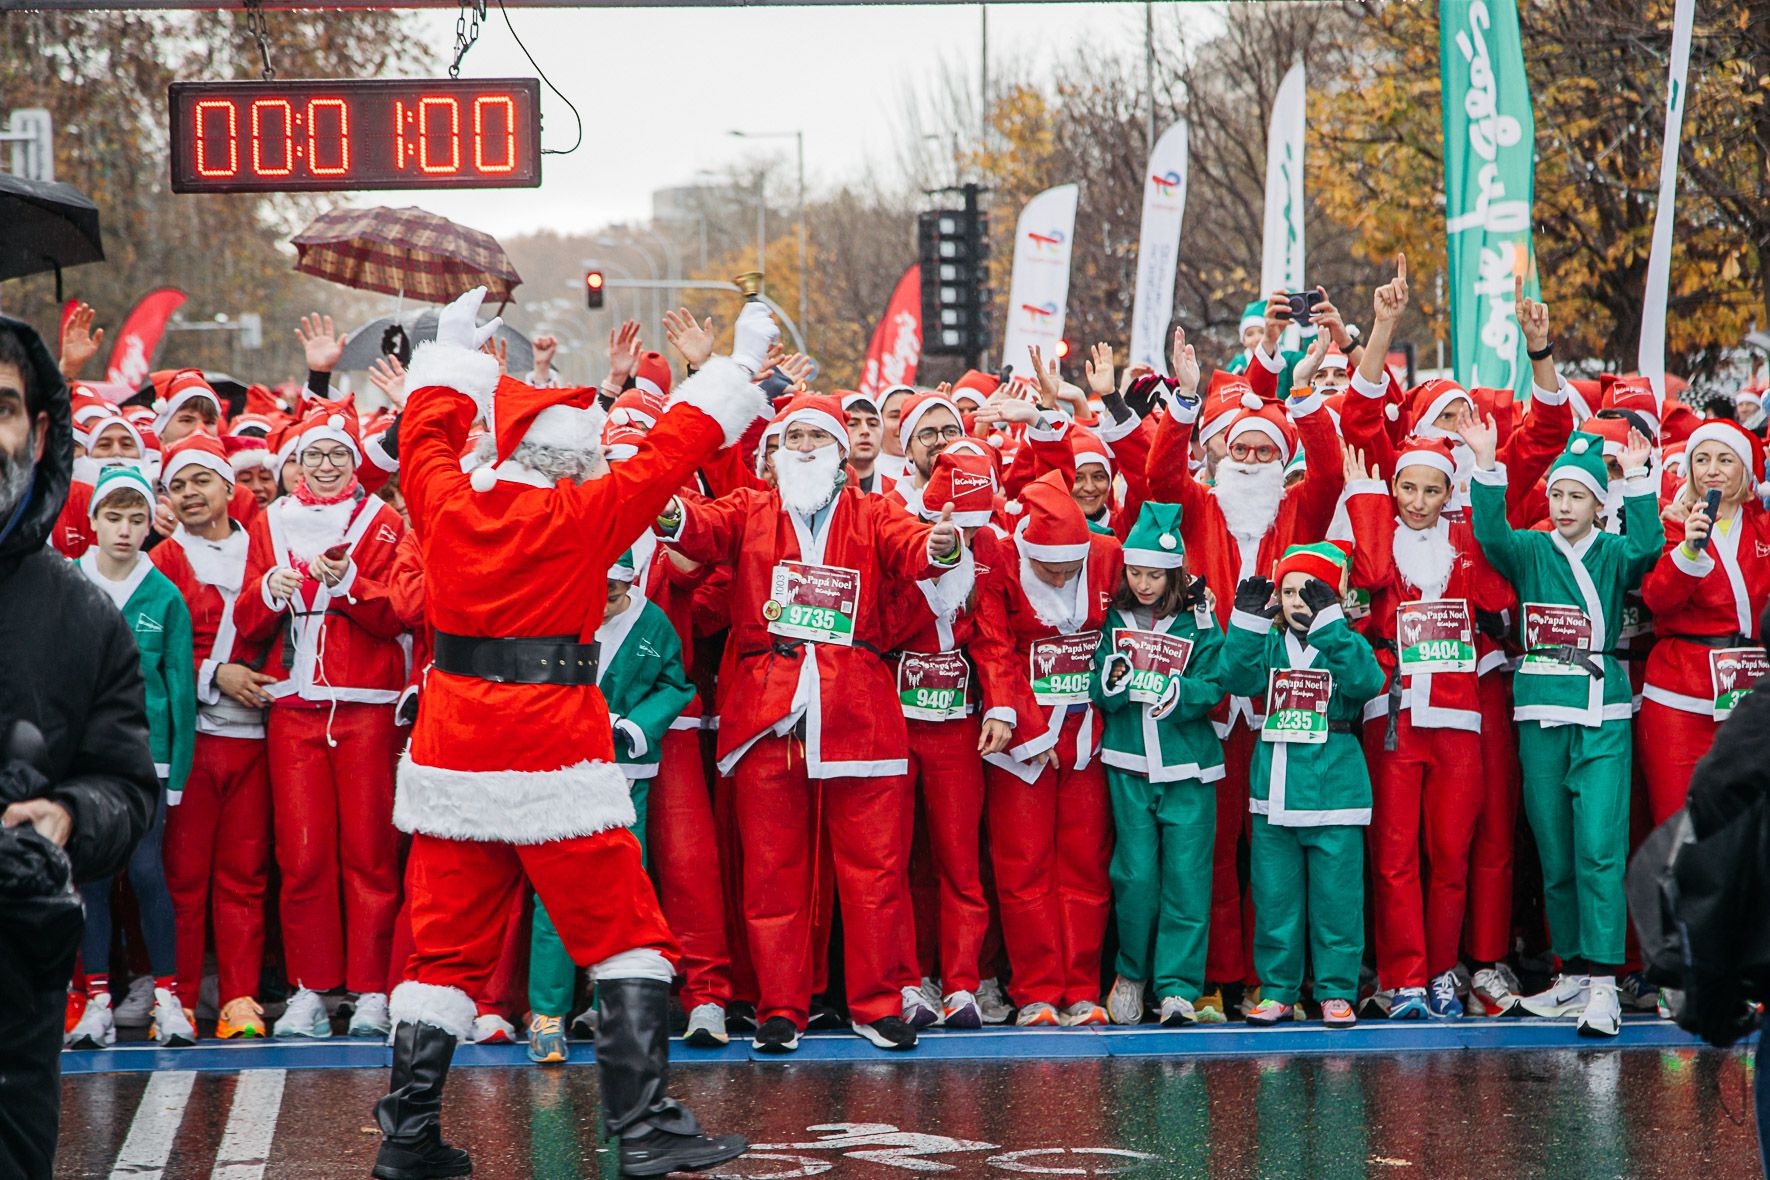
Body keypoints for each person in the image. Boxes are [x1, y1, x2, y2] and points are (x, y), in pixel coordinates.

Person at [382, 287, 764, 1179]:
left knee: (441, 951)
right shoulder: (583, 514)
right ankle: (644, 1127)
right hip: (553, 748)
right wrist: (736, 368)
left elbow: (424, 440)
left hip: (451, 753)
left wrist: (453, 353)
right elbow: (674, 450)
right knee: (629, 933)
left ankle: (407, 1138)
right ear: (573, 460)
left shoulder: (442, 502)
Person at [655, 392, 966, 1053]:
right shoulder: (750, 508)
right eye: (792, 436)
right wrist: (672, 512)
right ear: (777, 449)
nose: (803, 447)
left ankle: (879, 1004)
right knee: (774, 868)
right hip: (769, 713)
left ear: (837, 453)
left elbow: (911, 545)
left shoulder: (872, 510)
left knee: (875, 868)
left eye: (815, 438)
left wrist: (938, 543)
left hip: (857, 711)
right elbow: (702, 529)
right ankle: (780, 1008)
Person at [0, 314, 159, 1180]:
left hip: (13, 974)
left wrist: (66, 814)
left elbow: (126, 788)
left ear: (39, 430)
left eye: (2, 407)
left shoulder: (80, 612)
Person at [1466, 421, 1662, 1036]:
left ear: (1598, 504)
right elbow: (1491, 534)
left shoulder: (1614, 552)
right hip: (1541, 710)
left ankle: (1604, 982)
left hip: (1601, 709)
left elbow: (1651, 548)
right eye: (1557, 495)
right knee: (1554, 849)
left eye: (1577, 496)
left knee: (1598, 848)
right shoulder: (1530, 549)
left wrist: (1637, 482)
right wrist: (1485, 463)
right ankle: (1572, 971)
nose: (1565, 506)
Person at [234, 402, 408, 1039]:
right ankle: (311, 988)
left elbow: (399, 614)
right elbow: (247, 620)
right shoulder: (269, 522)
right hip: (293, 701)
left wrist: (353, 585)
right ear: (294, 463)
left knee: (369, 851)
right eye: (315, 455)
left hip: (366, 700)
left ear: (356, 460)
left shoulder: (381, 519)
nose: (329, 466)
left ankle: (370, 990)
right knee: (302, 853)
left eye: (339, 454)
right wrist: (270, 589)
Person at [1343, 437, 1511, 1020]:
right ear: (1393, 488)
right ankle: (1404, 976)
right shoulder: (1380, 537)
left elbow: (1497, 587)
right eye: (1407, 488)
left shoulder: (1464, 542)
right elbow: (1365, 576)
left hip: (1458, 714)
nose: (1418, 502)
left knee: (1450, 852)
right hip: (1393, 715)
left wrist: (1487, 472)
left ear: (1449, 492)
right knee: (1393, 854)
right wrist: (1364, 498)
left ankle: (1441, 968)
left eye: (1432, 490)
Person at [527, 550, 696, 1065]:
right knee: (554, 894)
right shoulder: (553, 609)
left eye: (614, 595)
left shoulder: (652, 621)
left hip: (626, 777)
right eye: (594, 593)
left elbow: (675, 685)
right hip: (561, 770)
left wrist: (638, 725)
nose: (603, 606)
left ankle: (612, 1009)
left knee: (624, 889)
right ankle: (547, 1012)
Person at [973, 469, 1122, 1026]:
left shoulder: (1106, 553)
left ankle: (1081, 986)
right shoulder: (1004, 561)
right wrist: (1028, 730)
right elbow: (994, 646)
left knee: (1086, 866)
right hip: (1020, 737)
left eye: (1070, 568)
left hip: (1090, 736)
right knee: (1023, 867)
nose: (1061, 577)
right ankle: (1035, 989)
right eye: (1049, 568)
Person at [1221, 545, 1384, 1027]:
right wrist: (1245, 626)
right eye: (1288, 590)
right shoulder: (1270, 645)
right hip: (1274, 790)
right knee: (1274, 899)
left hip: (1336, 790)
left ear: (1333, 600)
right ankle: (1277, 990)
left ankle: (1336, 989)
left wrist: (1332, 627)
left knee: (1338, 901)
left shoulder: (1344, 641)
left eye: (1311, 593)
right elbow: (1233, 677)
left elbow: (1367, 681)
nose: (1297, 601)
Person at [151, 432, 276, 1039]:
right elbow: (151, 653)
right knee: (185, 875)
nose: (189, 494)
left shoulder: (264, 550)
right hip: (193, 739)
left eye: (201, 480)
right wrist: (211, 674)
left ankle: (239, 997)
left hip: (256, 739)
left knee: (245, 874)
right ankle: (173, 996)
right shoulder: (163, 561)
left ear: (229, 487)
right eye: (177, 486)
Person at [68, 465, 197, 1049]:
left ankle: (169, 1000)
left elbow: (179, 687)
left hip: (148, 760)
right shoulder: (66, 585)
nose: (124, 530)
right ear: (93, 522)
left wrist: (177, 771)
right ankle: (96, 1000)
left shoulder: (164, 593)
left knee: (146, 873)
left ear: (151, 524)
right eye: (113, 517)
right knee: (91, 878)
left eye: (137, 518)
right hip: (82, 762)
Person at [1090, 501, 1225, 1026]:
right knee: (1135, 876)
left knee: (1188, 880)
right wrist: (1114, 679)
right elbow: (1100, 681)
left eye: (1155, 574)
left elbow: (1216, 682)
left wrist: (1179, 692)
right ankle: (1131, 973)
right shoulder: (1113, 618)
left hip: (1189, 767)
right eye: (1136, 572)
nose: (1144, 584)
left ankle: (1177, 987)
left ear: (1175, 574)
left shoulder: (1200, 619)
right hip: (1128, 763)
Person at [1638, 419, 1769, 823]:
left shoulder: (1764, 528)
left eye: (1725, 459)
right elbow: (1657, 599)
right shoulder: (1673, 524)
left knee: (1746, 829)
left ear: (1745, 470)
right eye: (1702, 459)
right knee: (1678, 824)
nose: (1712, 469)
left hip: (1751, 694)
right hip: (1679, 695)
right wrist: (1690, 551)